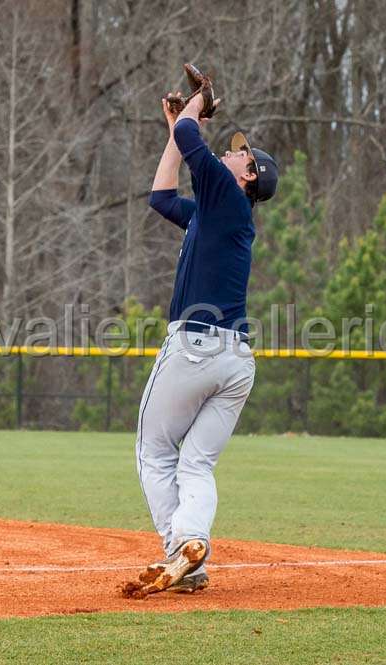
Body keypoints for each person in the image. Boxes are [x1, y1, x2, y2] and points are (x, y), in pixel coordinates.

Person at [124, 89, 278, 597]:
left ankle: (177, 546)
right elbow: (161, 197)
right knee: (196, 463)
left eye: (242, 153)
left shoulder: (229, 196)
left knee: (153, 450)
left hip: (195, 347)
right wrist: (175, 123)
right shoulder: (217, 213)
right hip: (236, 361)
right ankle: (193, 551)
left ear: (248, 175)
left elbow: (194, 139)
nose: (233, 152)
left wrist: (191, 111)